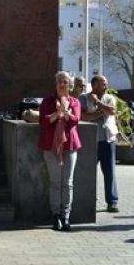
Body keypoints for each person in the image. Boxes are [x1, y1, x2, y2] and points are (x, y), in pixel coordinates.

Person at [38, 71, 82, 232]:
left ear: (70, 85)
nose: (62, 84)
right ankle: (56, 216)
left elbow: (75, 121)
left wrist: (67, 112)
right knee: (55, 183)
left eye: (65, 82)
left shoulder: (75, 102)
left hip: (70, 146)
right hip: (51, 146)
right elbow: (43, 122)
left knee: (67, 183)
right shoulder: (47, 101)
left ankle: (66, 216)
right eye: (59, 82)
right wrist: (58, 113)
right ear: (56, 84)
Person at [80, 74, 119, 213]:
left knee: (110, 172)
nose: (106, 86)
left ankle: (112, 202)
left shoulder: (110, 98)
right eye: (103, 84)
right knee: (88, 172)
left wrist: (98, 103)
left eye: (106, 83)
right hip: (90, 142)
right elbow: (83, 116)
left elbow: (112, 111)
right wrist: (101, 112)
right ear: (95, 85)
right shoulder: (83, 98)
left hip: (108, 141)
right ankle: (87, 200)